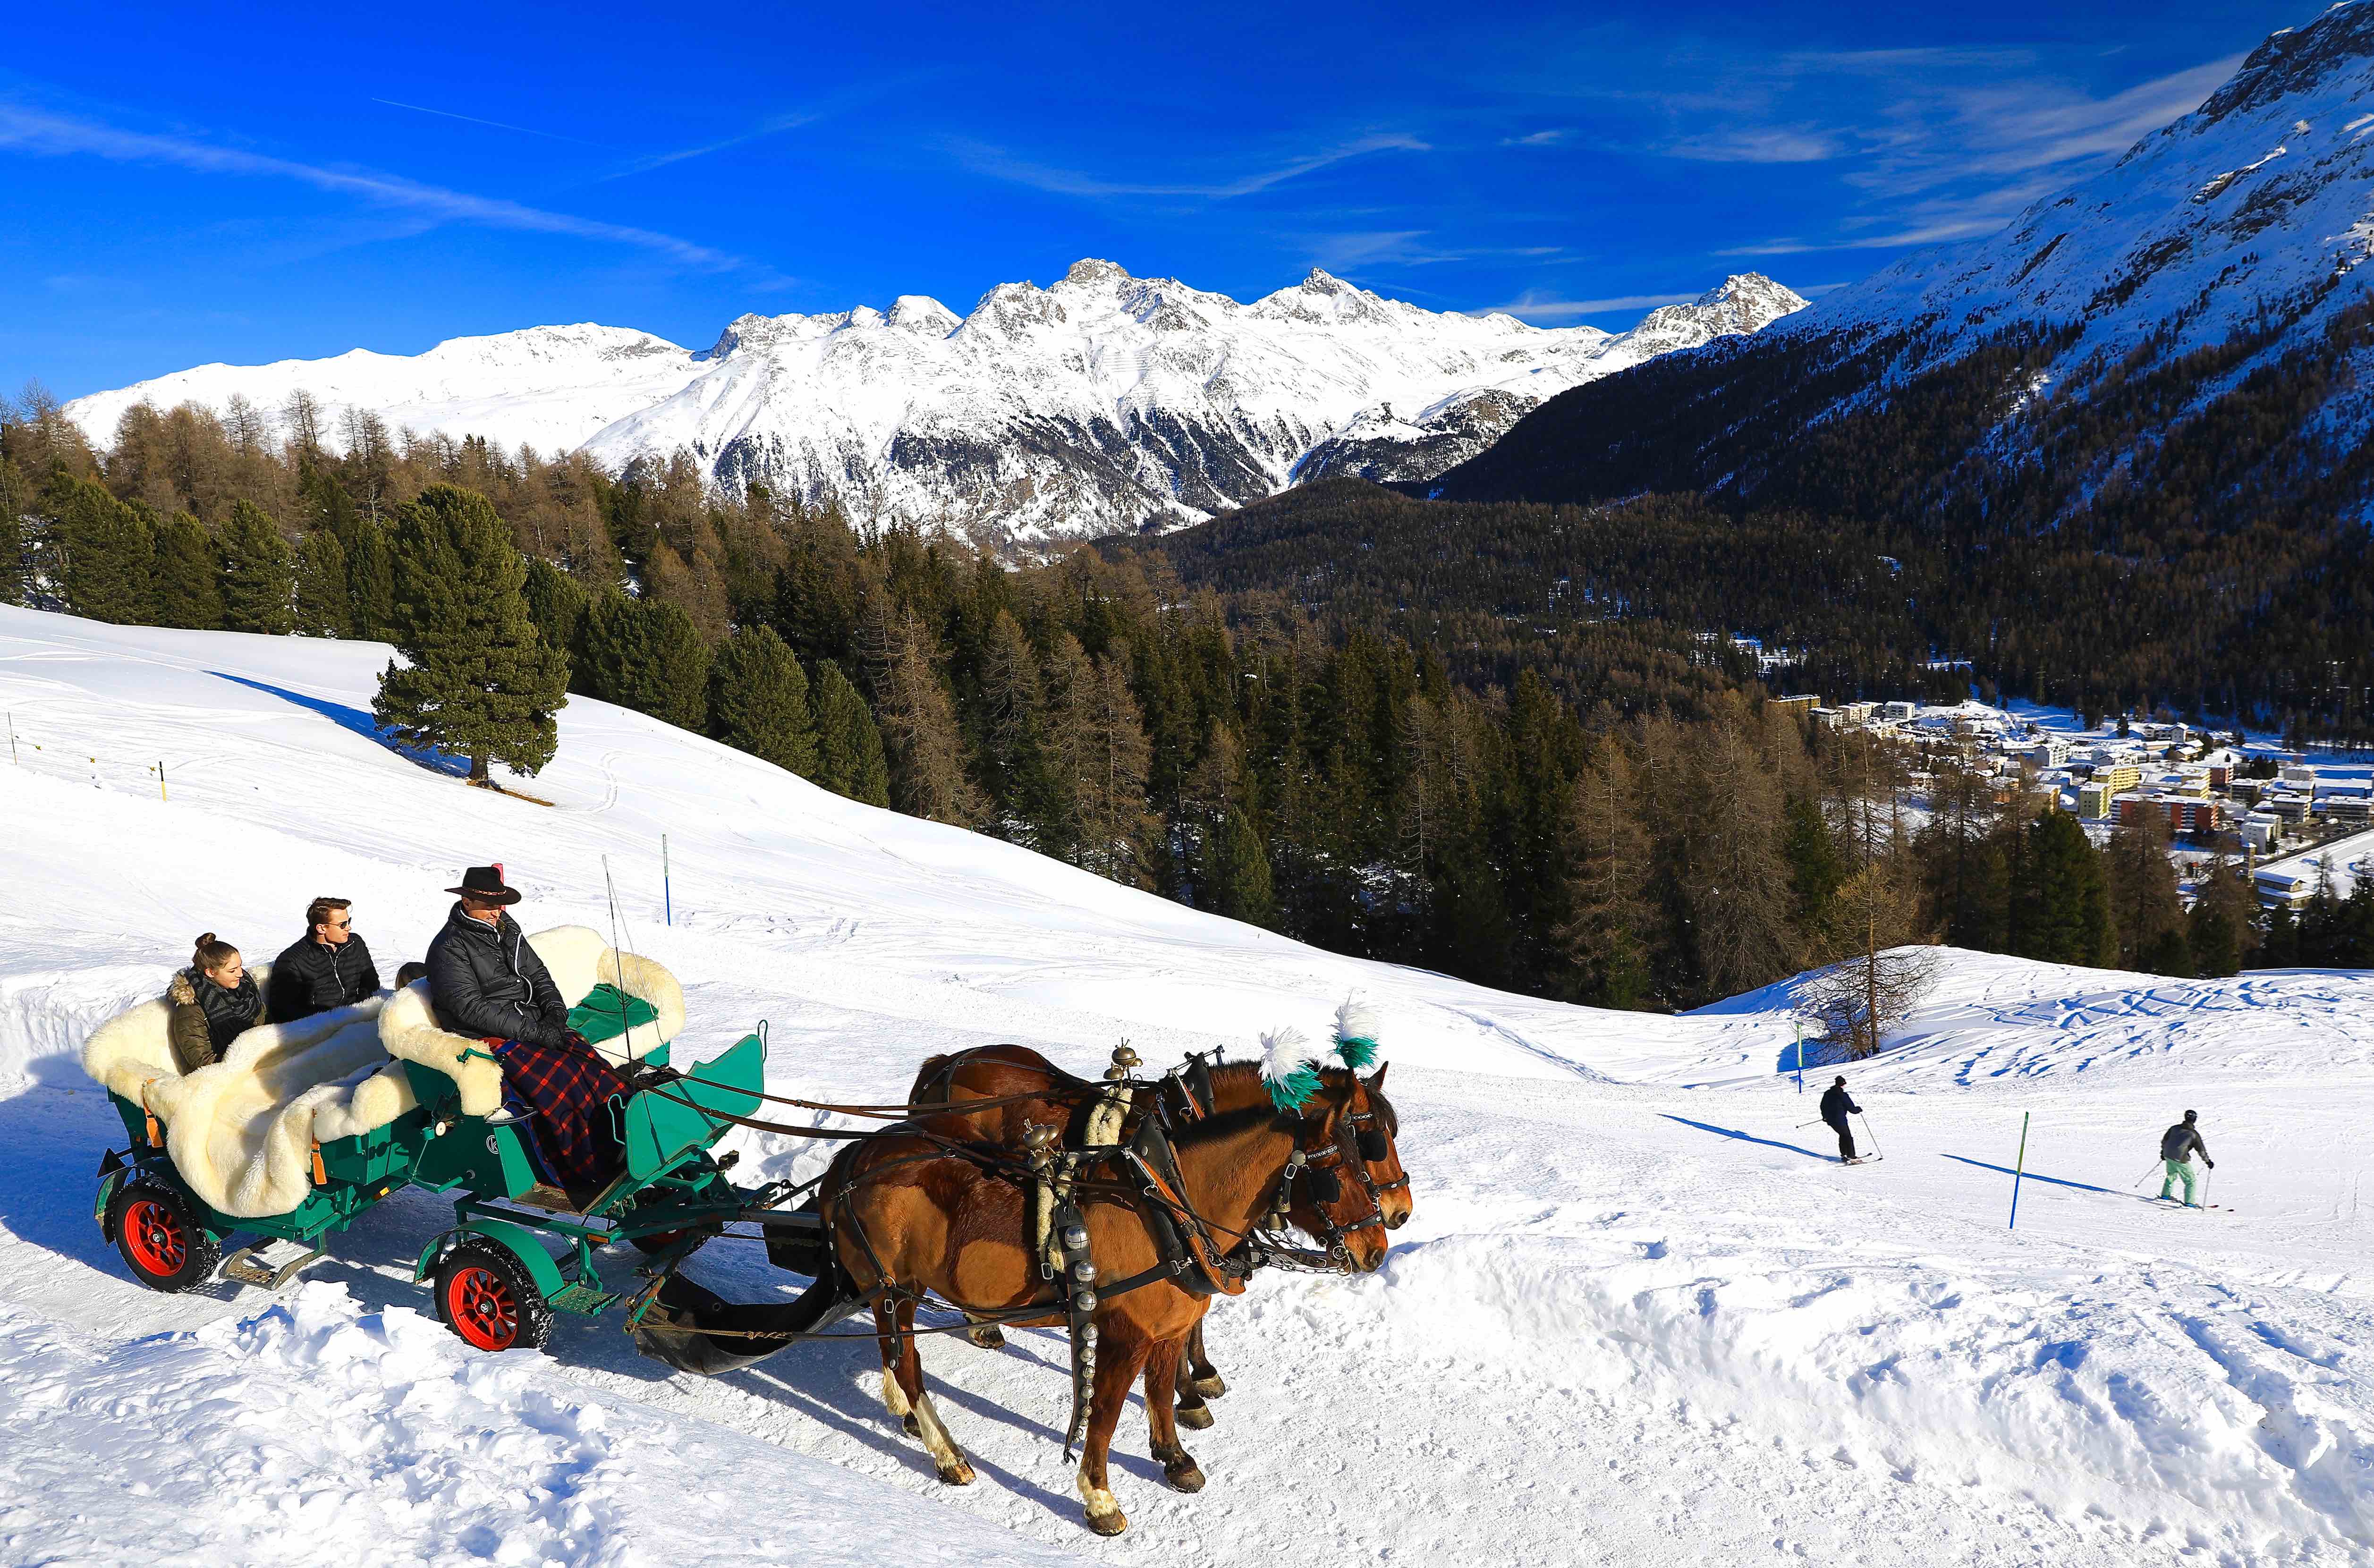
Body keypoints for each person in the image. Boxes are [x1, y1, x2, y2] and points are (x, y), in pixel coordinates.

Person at [424, 864, 623, 1193]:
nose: (495, 911)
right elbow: (471, 1008)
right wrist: (536, 1032)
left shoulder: (506, 929)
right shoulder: (450, 946)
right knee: (564, 1076)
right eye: (489, 905)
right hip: (488, 1036)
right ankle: (589, 1162)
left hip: (528, 1022)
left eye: (499, 904)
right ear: (467, 902)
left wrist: (556, 1012)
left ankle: (623, 1131)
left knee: (588, 1062)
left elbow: (538, 974)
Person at [266, 896, 382, 1025]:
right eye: (342, 925)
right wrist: (328, 1022)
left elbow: (371, 983)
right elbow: (283, 1011)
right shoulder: (292, 960)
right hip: (320, 1030)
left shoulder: (355, 944)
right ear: (321, 928)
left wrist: (359, 1010)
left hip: (358, 1019)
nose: (349, 928)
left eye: (349, 921)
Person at [168, 933, 263, 1073]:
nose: (241, 974)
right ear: (211, 973)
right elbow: (202, 1061)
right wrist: (249, 1057)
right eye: (232, 970)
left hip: (260, 1065)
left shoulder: (246, 990)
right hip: (227, 1076)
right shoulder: (191, 1010)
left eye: (240, 966)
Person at [2158, 1110, 2214, 1207]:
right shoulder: (2193, 1134)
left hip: (2168, 1156)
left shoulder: (2174, 1128)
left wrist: (2163, 1152)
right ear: (2195, 1120)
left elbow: (2165, 1141)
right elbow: (2201, 1150)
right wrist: (2208, 1161)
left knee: (2171, 1174)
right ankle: (2190, 1202)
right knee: (2190, 1181)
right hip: (2180, 1159)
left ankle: (2165, 1196)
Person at [1820, 1075, 1863, 1164]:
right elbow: (1851, 1109)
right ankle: (1852, 1157)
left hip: (1830, 1120)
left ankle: (1844, 1155)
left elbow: (1822, 1106)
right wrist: (1858, 1109)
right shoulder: (1843, 1095)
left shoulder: (1828, 1093)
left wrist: (1825, 1116)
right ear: (1843, 1085)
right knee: (1847, 1136)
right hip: (1839, 1120)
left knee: (1843, 1135)